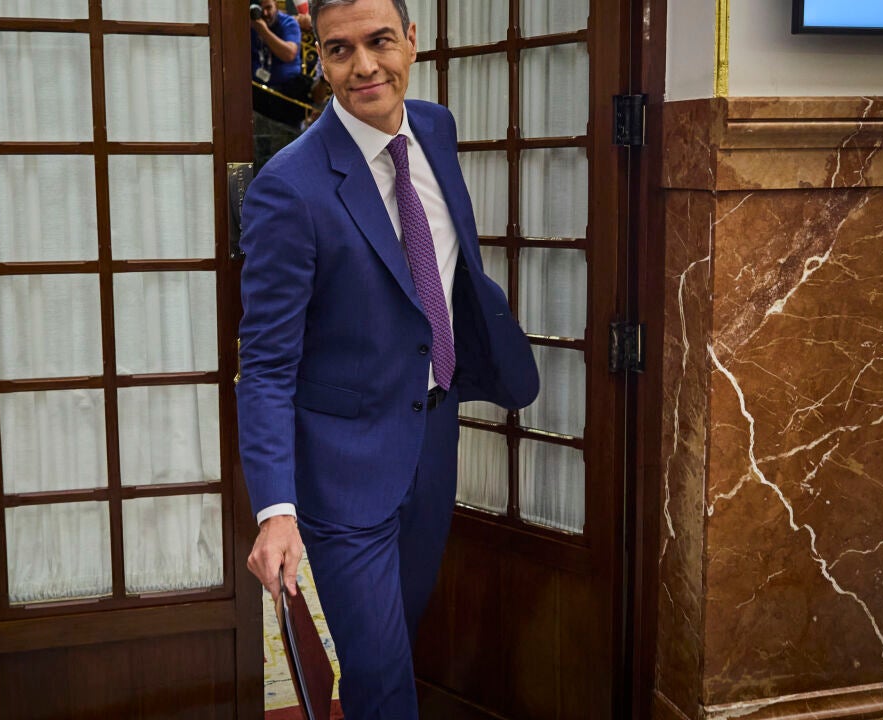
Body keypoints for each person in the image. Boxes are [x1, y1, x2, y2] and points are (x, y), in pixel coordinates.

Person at [236, 0, 540, 716]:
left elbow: (445, 268)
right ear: (320, 57)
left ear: (411, 41)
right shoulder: (289, 188)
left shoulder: (435, 128)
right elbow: (268, 366)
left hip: (432, 437)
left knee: (394, 643)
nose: (364, 66)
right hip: (342, 469)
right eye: (340, 50)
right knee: (380, 675)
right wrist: (276, 510)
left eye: (379, 42)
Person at [251, 0, 311, 127]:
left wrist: (263, 31)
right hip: (258, 90)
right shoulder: (251, 23)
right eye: (261, 9)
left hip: (287, 92)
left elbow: (289, 54)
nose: (265, 13)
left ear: (276, 6)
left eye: (269, 8)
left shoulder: (288, 23)